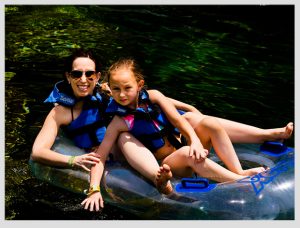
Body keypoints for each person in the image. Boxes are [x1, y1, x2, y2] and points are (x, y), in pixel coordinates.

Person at [82, 58, 291, 211]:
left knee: (210, 123)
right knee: (189, 155)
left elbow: (178, 120)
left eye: (127, 88)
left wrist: (194, 141)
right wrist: (94, 189)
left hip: (181, 144)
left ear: (140, 85)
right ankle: (239, 182)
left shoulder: (153, 96)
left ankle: (238, 171)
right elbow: (100, 157)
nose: (121, 94)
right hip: (168, 164)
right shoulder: (119, 122)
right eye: (116, 89)